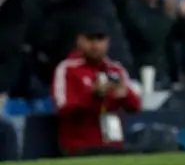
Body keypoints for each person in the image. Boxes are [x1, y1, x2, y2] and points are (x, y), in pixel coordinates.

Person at [52, 17, 142, 157]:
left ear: (108, 41)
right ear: (79, 40)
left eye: (100, 39)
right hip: (80, 147)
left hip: (113, 144)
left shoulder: (115, 69)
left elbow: (135, 107)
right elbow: (64, 108)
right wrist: (93, 95)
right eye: (90, 39)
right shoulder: (68, 69)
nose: (95, 45)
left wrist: (125, 96)